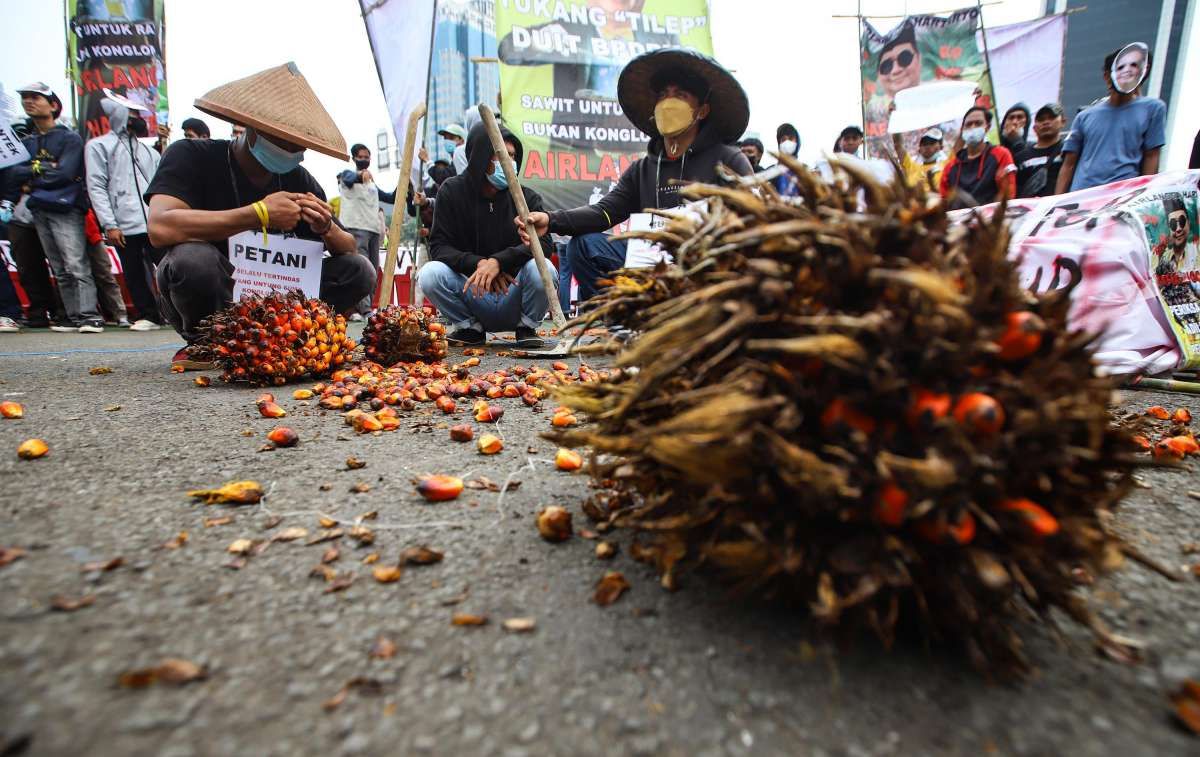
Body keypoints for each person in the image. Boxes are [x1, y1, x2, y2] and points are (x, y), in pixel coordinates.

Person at [143, 63, 374, 369]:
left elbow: (349, 249)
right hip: (215, 295)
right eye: (282, 141)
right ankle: (207, 343)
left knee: (359, 269)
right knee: (193, 260)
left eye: (298, 146)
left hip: (278, 308)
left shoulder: (298, 178)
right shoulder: (190, 155)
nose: (291, 151)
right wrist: (258, 214)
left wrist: (326, 227)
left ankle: (301, 339)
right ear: (253, 131)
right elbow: (160, 227)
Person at [523, 49, 753, 310]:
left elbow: (752, 222)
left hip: (703, 268)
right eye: (663, 95)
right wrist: (552, 220)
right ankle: (620, 318)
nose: (669, 101)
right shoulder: (643, 169)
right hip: (646, 263)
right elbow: (604, 212)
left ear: (701, 111)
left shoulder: (729, 161)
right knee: (583, 246)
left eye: (680, 95)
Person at [418, 123, 554, 349]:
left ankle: (527, 326)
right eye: (501, 156)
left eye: (512, 156)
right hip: (473, 293)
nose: (509, 163)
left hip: (514, 293)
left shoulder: (527, 198)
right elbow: (439, 246)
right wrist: (479, 264)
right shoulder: (451, 192)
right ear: (481, 157)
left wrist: (499, 262)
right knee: (430, 274)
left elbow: (545, 244)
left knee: (544, 268)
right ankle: (469, 328)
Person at [4, 83, 105, 332]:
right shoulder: (28, 142)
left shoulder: (69, 137)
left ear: (53, 105)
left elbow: (66, 174)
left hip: (66, 208)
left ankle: (90, 316)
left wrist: (32, 177)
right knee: (59, 267)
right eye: (25, 97)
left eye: (36, 97)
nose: (29, 101)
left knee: (76, 264)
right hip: (39, 209)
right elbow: (15, 174)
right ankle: (71, 317)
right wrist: (45, 170)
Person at [85, 93, 164, 330]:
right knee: (134, 273)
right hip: (123, 224)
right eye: (132, 115)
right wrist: (110, 223)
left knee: (170, 267)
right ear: (119, 116)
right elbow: (96, 186)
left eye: (139, 114)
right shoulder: (99, 147)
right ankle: (148, 315)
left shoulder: (150, 152)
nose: (137, 119)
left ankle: (178, 312)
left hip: (155, 222)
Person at [1056, 48, 1165, 194]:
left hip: (1121, 198)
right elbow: (1068, 164)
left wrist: (1145, 196)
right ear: (1107, 75)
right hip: (1082, 198)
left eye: (1134, 66)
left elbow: (1151, 156)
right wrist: (1056, 204)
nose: (1126, 72)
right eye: (1120, 67)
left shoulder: (1153, 109)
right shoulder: (1084, 116)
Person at [338, 143, 398, 318]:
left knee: (372, 271)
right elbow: (349, 178)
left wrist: (404, 185)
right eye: (361, 157)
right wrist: (360, 174)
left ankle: (367, 307)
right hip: (356, 229)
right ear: (354, 158)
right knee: (361, 270)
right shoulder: (347, 176)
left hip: (373, 231)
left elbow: (389, 198)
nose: (364, 160)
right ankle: (361, 310)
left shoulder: (371, 183)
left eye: (367, 157)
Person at [939, 106, 1016, 206]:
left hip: (991, 219)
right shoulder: (951, 166)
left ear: (987, 127)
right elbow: (944, 199)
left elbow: (1008, 194)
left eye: (978, 123)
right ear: (962, 130)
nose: (973, 127)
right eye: (968, 124)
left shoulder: (1001, 154)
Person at [1015, 103, 1067, 198]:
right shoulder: (1020, 157)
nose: (1046, 122)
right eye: (1041, 119)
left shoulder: (1069, 152)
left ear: (1063, 122)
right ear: (1034, 128)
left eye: (1051, 118)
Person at [894, 127, 947, 192]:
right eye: (924, 143)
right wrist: (896, 127)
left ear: (941, 147)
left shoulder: (947, 166)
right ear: (919, 150)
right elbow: (898, 145)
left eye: (932, 143)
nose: (927, 146)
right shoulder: (912, 168)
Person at [877, 23, 921, 100]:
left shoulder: (938, 97)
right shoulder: (874, 110)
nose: (896, 70)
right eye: (886, 66)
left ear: (918, 58)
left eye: (905, 58)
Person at [773, 123, 802, 197]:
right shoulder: (772, 171)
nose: (787, 142)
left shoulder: (805, 170)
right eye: (783, 139)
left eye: (791, 138)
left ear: (797, 142)